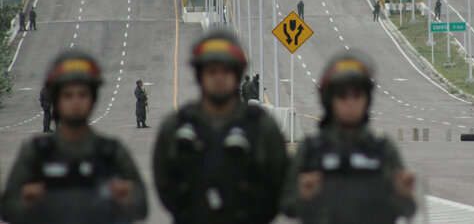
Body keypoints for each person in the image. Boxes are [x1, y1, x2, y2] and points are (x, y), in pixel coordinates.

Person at [153, 29, 288, 224]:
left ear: (237, 75)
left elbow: (278, 182)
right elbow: (165, 184)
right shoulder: (178, 126)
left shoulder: (261, 127)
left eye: (226, 71)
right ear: (200, 75)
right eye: (211, 71)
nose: (219, 78)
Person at [0, 50, 148, 224]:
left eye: (83, 94)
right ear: (56, 100)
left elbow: (141, 206)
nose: (76, 102)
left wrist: (125, 198)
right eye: (68, 95)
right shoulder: (37, 153)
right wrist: (27, 202)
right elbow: (8, 208)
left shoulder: (111, 153)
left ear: (93, 99)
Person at [283, 51, 417, 224]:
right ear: (329, 100)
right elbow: (287, 205)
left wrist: (404, 195)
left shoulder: (381, 148)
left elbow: (407, 209)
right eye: (342, 96)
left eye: (357, 95)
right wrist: (304, 196)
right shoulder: (312, 149)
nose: (350, 103)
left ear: (367, 100)